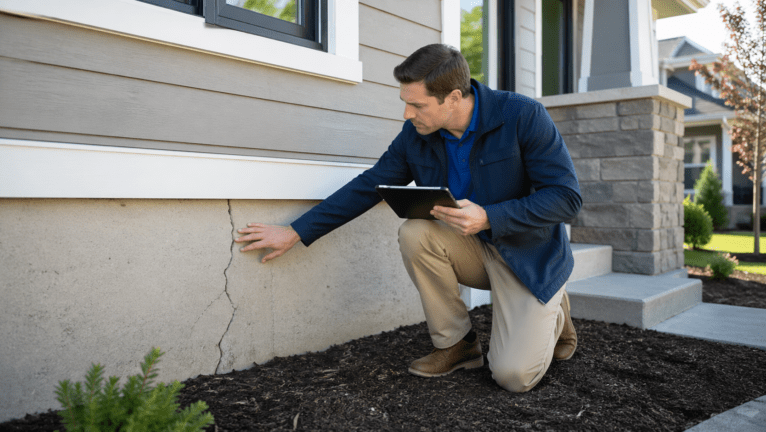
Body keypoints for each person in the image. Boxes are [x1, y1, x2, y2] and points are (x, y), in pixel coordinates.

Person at [235, 44, 582, 392]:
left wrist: (489, 216)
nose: (406, 114)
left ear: (454, 97)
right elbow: (370, 185)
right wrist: (296, 231)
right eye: (405, 102)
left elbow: (567, 198)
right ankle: (456, 345)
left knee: (513, 377)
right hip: (471, 249)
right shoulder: (416, 135)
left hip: (528, 257)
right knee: (416, 232)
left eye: (417, 105)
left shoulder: (523, 115)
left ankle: (552, 305)